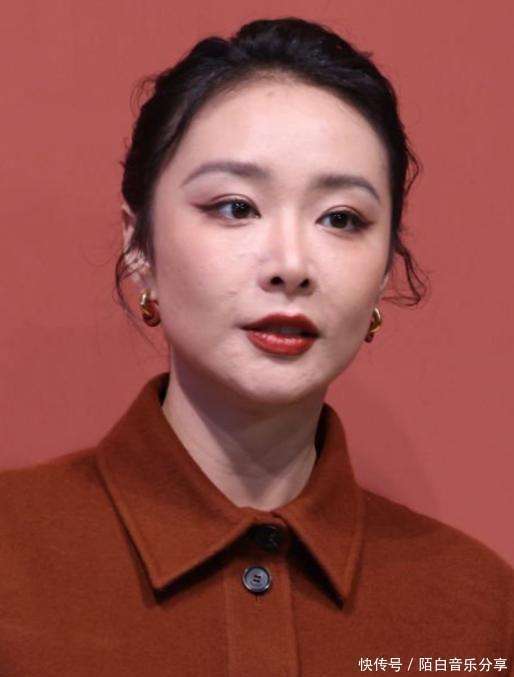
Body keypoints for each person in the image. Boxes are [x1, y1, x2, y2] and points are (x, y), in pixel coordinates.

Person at [1, 16, 512, 677]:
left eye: (341, 218)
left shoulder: (479, 608)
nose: (291, 265)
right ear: (139, 245)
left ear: (386, 269)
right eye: (236, 207)